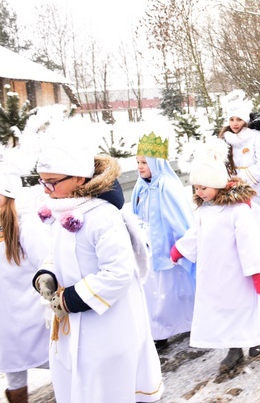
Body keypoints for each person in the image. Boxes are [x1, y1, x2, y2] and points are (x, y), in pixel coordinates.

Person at [32, 145, 163, 402]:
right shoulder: (62, 207)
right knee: (79, 381)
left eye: (52, 182)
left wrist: (70, 299)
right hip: (73, 322)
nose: (46, 189)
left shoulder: (102, 217)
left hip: (107, 322)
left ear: (79, 178)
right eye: (42, 182)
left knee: (106, 385)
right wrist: (47, 273)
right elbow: (57, 252)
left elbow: (118, 272)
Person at [171, 139, 260, 373]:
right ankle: (233, 349)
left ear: (218, 185)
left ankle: (257, 336)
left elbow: (250, 242)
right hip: (213, 272)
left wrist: (259, 273)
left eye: (204, 188)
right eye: (196, 189)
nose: (199, 193)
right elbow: (197, 233)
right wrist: (181, 248)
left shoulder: (238, 211)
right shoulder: (204, 208)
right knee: (223, 311)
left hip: (237, 271)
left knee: (245, 307)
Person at [0, 166, 50, 403]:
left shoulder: (27, 226)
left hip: (34, 311)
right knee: (12, 365)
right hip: (6, 312)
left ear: (8, 195)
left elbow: (47, 262)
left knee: (57, 361)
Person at [131, 132, 195, 350]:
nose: (140, 167)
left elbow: (180, 218)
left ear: (156, 163)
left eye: (144, 162)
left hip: (168, 247)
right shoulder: (140, 187)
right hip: (148, 247)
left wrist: (181, 244)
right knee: (153, 290)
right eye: (138, 162)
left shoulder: (167, 186)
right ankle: (159, 330)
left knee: (173, 289)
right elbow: (136, 212)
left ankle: (185, 322)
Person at [219, 90, 260, 232]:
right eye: (232, 119)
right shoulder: (224, 140)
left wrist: (242, 179)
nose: (235, 123)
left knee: (256, 219)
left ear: (246, 121)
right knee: (237, 224)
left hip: (255, 184)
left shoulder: (256, 137)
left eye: (239, 119)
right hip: (231, 186)